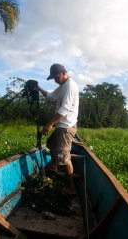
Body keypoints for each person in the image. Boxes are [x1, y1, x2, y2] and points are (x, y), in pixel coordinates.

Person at [37, 63, 79, 195]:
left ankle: (71, 189)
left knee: (66, 160)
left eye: (55, 77)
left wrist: (50, 124)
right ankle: (54, 165)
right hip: (61, 127)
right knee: (50, 143)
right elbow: (51, 97)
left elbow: (64, 109)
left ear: (62, 73)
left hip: (66, 128)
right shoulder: (62, 86)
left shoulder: (70, 85)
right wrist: (38, 88)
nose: (55, 80)